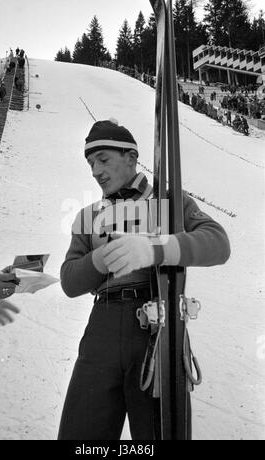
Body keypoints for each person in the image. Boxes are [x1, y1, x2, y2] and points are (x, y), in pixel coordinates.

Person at [57, 119, 231, 440]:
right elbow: (69, 281)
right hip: (102, 330)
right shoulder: (89, 216)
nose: (95, 170)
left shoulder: (168, 203)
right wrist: (101, 257)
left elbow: (218, 243)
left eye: (103, 159)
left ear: (131, 158)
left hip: (155, 327)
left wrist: (155, 248)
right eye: (90, 163)